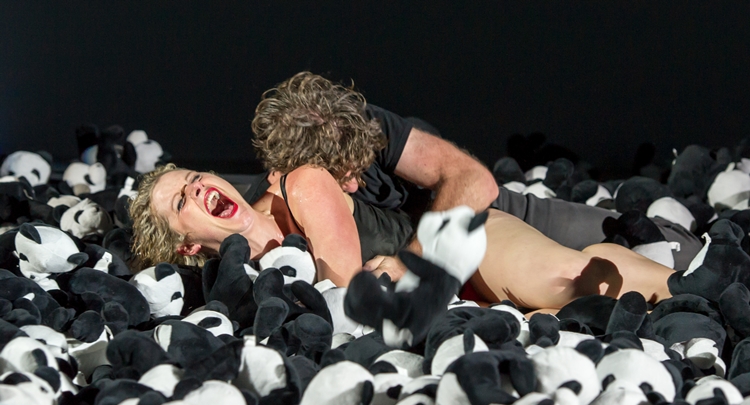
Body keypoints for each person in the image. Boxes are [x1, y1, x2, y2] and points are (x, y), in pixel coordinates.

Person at [249, 72, 702, 282]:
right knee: (587, 285)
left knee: (675, 251)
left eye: (354, 172)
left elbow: (474, 182)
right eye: (340, 178)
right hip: (473, 272)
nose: (351, 186)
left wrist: (410, 263)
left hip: (499, 216)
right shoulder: (288, 189)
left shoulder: (366, 127)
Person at [130, 162, 674, 312]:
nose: (198, 189)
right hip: (451, 312)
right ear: (185, 246)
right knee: (563, 320)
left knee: (571, 282)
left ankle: (690, 290)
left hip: (456, 252)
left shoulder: (300, 186)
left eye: (195, 178)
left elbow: (346, 296)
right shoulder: (233, 288)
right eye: (181, 202)